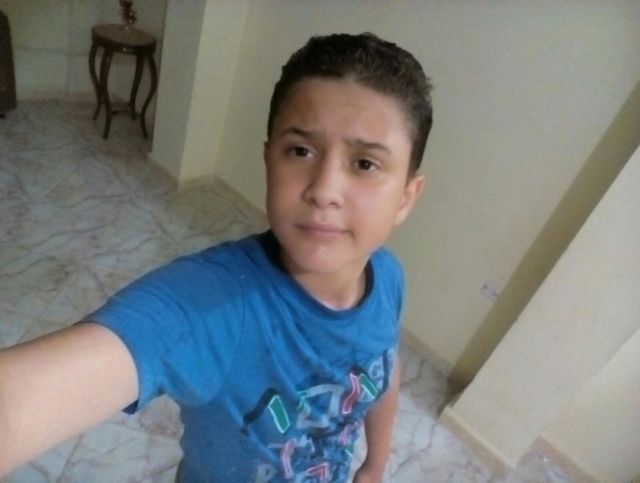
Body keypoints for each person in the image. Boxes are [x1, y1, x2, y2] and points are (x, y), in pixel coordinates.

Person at [0, 32, 432, 482]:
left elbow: (382, 366)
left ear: (406, 196)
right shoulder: (211, 305)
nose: (324, 190)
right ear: (269, 160)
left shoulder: (387, 276)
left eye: (364, 164)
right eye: (300, 151)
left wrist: (374, 465)